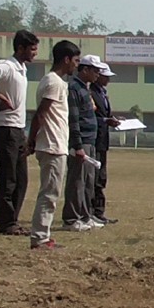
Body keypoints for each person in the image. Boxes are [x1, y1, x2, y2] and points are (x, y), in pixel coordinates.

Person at [0, 30, 39, 235]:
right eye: (32, 49)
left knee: (21, 178)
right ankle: (6, 223)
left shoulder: (22, 69)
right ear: (20, 48)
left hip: (18, 128)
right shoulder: (7, 66)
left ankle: (13, 220)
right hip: (6, 128)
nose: (35, 54)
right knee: (8, 176)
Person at [26, 41, 80, 249]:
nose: (76, 65)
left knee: (52, 193)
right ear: (66, 59)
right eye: (75, 61)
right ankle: (39, 238)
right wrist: (31, 140)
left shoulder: (55, 81)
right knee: (49, 193)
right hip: (51, 144)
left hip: (54, 143)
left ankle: (43, 235)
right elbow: (41, 113)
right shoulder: (53, 82)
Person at [62, 54, 106, 232]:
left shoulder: (84, 88)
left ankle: (85, 216)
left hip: (91, 140)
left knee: (88, 181)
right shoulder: (73, 88)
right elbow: (74, 119)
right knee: (77, 181)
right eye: (95, 70)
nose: (98, 74)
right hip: (81, 141)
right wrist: (77, 145)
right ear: (85, 69)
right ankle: (71, 219)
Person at [90, 64, 121, 224]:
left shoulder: (103, 94)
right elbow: (88, 117)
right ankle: (92, 212)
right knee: (93, 177)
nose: (108, 79)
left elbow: (104, 114)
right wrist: (105, 121)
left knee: (101, 177)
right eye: (105, 76)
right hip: (94, 140)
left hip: (103, 141)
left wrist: (113, 119)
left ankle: (99, 212)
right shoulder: (91, 93)